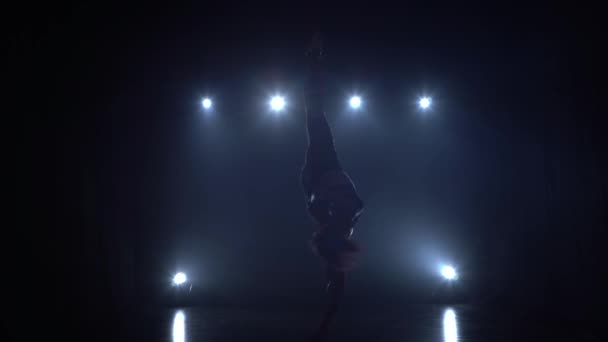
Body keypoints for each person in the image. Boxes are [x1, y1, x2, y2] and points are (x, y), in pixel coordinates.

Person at [301, 33, 365, 340]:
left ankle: (314, 60)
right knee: (315, 118)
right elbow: (355, 205)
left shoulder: (327, 216)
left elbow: (317, 200)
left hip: (319, 174)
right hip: (326, 170)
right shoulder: (346, 217)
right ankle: (314, 60)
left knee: (314, 117)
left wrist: (321, 195)